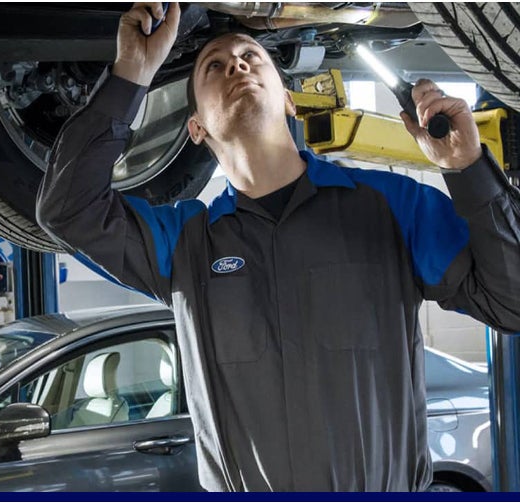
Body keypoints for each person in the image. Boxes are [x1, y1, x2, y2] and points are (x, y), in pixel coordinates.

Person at [37, 2, 520, 492]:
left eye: (252, 56)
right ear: (197, 128)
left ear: (290, 100)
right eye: (215, 67)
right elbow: (67, 210)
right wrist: (130, 74)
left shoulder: (392, 206)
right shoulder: (183, 244)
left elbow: (511, 303)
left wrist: (469, 169)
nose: (238, 65)